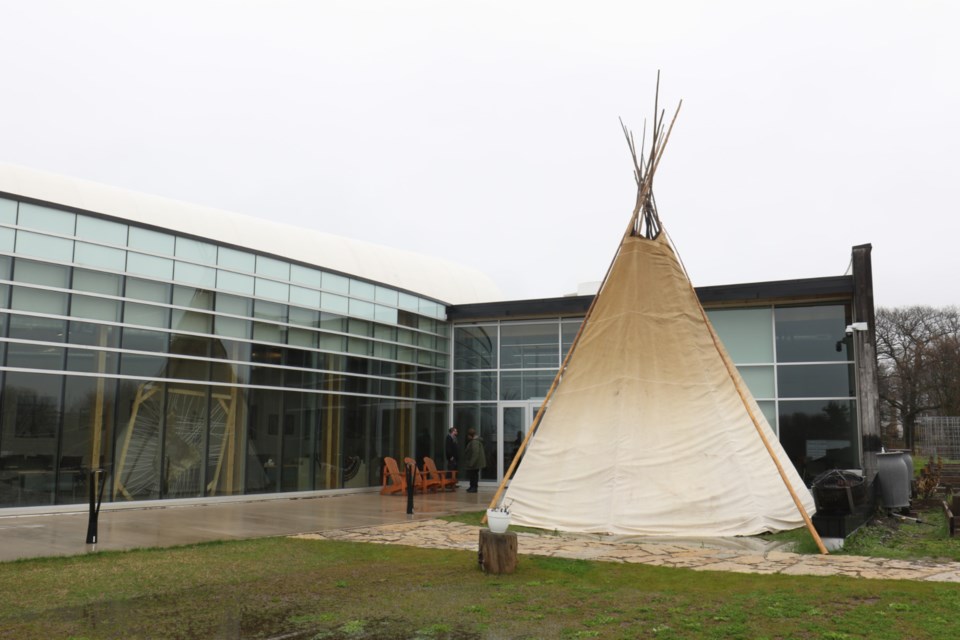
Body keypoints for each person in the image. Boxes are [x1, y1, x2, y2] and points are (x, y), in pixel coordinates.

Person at [462, 427, 486, 493]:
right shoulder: (475, 441)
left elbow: (475, 453)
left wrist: (471, 463)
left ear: (470, 435)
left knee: (473, 475)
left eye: (468, 436)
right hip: (476, 462)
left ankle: (473, 487)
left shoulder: (474, 442)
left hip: (475, 463)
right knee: (473, 475)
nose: (467, 437)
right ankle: (472, 486)